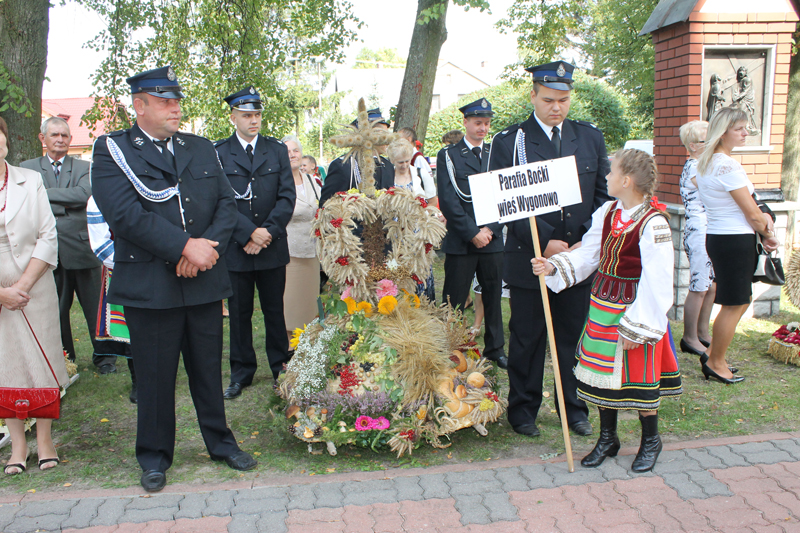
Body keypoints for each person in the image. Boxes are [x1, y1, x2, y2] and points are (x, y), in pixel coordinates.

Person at [91, 66, 256, 492]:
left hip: (203, 278)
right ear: (139, 105)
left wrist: (203, 251)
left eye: (177, 101)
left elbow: (226, 204)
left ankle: (220, 443)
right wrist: (185, 247)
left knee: (208, 370)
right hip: (151, 284)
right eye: (165, 102)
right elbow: (124, 215)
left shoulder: (198, 147)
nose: (175, 108)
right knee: (154, 377)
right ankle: (154, 456)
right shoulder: (113, 150)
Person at [532, 148, 679, 473]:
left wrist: (638, 326)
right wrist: (554, 266)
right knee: (600, 376)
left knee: (639, 376)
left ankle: (651, 440)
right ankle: (608, 438)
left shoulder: (653, 222)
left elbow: (657, 279)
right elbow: (590, 253)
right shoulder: (608, 212)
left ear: (626, 181)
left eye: (612, 172)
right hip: (602, 306)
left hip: (635, 308)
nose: (607, 176)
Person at [488, 61, 611, 437]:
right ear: (533, 96)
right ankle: (522, 409)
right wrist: (544, 241)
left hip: (577, 259)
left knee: (573, 337)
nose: (556, 107)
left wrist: (583, 243)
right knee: (527, 338)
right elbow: (503, 204)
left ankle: (573, 408)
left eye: (563, 99)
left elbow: (603, 198)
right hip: (531, 256)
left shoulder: (588, 137)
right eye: (548, 100)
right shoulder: (511, 142)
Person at [215, 86, 296, 399]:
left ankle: (280, 368)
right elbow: (220, 202)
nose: (254, 120)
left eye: (258, 114)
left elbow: (286, 197)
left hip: (271, 247)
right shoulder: (220, 153)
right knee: (239, 314)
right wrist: (249, 233)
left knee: (275, 311)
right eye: (247, 115)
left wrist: (266, 234)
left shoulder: (275, 150)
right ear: (233, 117)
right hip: (237, 249)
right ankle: (241, 373)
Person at [0, 116, 70, 475]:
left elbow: (48, 235)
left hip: (35, 287)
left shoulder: (31, 180)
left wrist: (22, 287)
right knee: (6, 366)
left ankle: (45, 441)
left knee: (41, 365)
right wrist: (3, 294)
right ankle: (17, 446)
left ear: (5, 140)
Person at [21, 117, 118, 374]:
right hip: (46, 253)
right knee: (56, 310)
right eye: (54, 135)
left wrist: (43, 194)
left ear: (70, 139)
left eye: (65, 135)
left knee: (96, 308)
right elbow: (27, 201)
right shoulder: (28, 168)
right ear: (43, 138)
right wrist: (65, 203)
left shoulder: (85, 166)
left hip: (83, 249)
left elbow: (84, 195)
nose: (60, 140)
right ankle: (65, 359)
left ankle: (105, 359)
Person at [696, 107, 778, 384]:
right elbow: (752, 212)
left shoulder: (707, 162)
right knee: (735, 303)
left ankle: (713, 355)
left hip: (721, 238)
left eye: (746, 128)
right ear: (723, 132)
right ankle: (716, 362)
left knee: (738, 301)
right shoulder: (727, 165)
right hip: (734, 240)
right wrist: (768, 232)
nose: (745, 133)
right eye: (739, 129)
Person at [437, 98, 507, 369]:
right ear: (465, 122)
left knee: (492, 297)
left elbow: (506, 195)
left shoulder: (496, 153)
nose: (483, 128)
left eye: (487, 123)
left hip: (491, 238)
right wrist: (472, 232)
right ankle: (449, 348)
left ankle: (495, 349)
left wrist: (490, 230)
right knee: (454, 299)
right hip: (462, 239)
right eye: (478, 123)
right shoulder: (449, 155)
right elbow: (448, 200)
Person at [86, 196, 138, 403]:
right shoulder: (99, 197)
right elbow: (100, 242)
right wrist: (129, 265)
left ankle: (160, 375)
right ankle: (139, 382)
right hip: (121, 267)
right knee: (129, 329)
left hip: (157, 266)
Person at [677, 120, 717, 362]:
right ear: (693, 145)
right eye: (708, 140)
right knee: (699, 286)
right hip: (699, 231)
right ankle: (689, 337)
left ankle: (703, 333)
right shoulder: (694, 167)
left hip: (711, 230)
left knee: (711, 286)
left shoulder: (705, 165)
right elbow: (714, 189)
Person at [282, 135, 321, 348]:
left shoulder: (311, 181)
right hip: (289, 253)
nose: (292, 155)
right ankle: (290, 348)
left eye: (295, 150)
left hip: (312, 252)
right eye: (287, 151)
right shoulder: (278, 182)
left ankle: (310, 346)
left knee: (310, 303)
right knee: (291, 304)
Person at [387, 137, 438, 301]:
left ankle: (423, 305)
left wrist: (423, 218)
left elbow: (432, 201)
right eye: (399, 162)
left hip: (417, 234)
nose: (403, 165)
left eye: (406, 161)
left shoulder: (420, 174)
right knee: (397, 272)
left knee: (419, 272)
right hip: (395, 234)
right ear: (392, 160)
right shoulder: (387, 176)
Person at [320, 108, 395, 205]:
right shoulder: (342, 166)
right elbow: (326, 206)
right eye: (384, 134)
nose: (388, 140)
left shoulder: (388, 166)